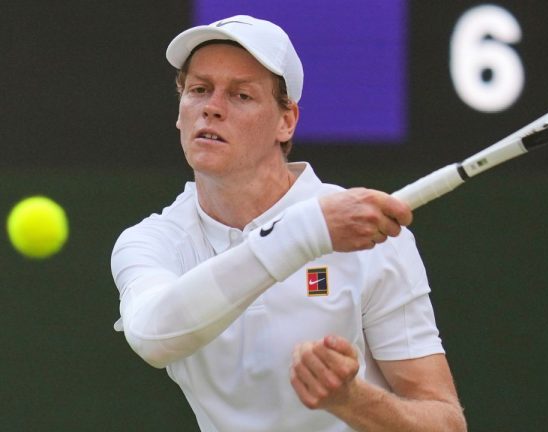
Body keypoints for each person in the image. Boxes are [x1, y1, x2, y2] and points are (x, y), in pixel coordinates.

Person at [110, 14, 467, 432]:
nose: (211, 107)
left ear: (286, 121)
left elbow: (445, 424)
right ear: (179, 112)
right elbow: (154, 336)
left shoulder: (367, 235)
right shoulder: (151, 241)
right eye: (198, 90)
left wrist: (353, 401)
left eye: (241, 95)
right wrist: (307, 233)